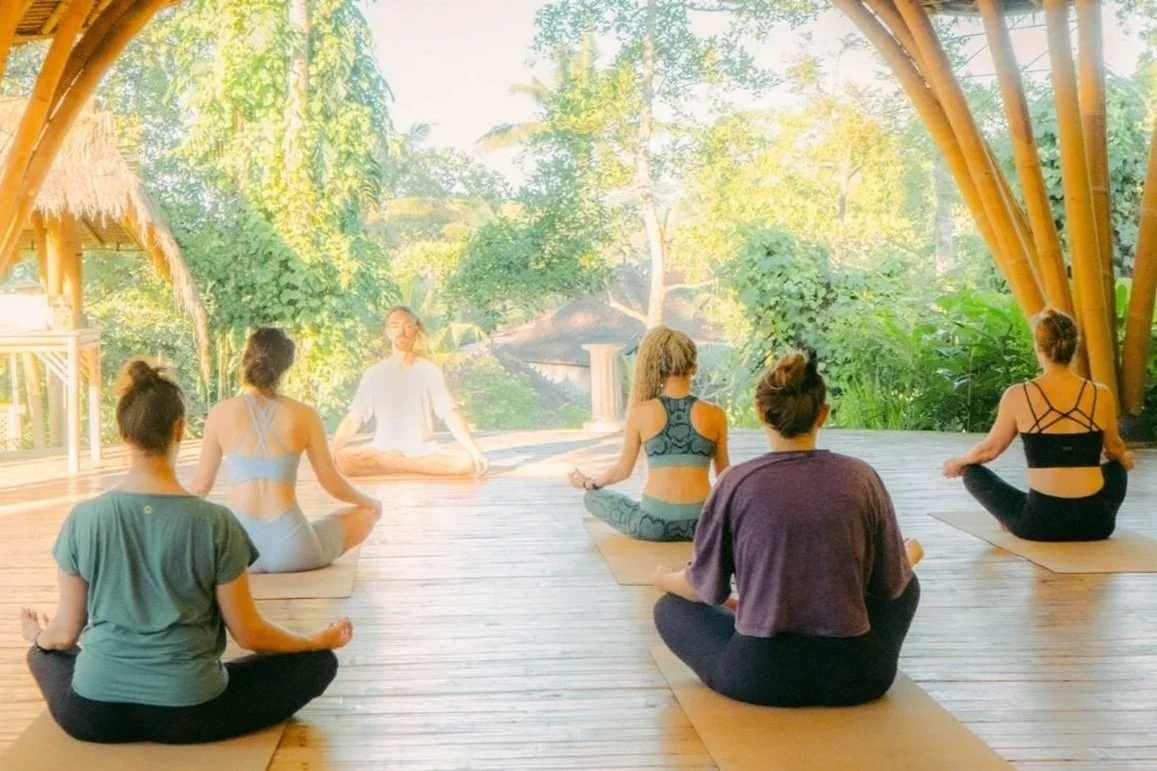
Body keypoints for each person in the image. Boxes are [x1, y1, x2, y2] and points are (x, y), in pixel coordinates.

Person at [21, 359, 351, 744]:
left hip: (95, 716)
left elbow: (63, 634)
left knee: (43, 654)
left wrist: (36, 637)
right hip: (190, 714)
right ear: (179, 429)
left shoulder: (83, 518)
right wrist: (315, 640)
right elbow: (250, 633)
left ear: (123, 433)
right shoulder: (215, 521)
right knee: (318, 664)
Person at [652, 351, 922, 707]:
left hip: (761, 677)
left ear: (761, 412)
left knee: (669, 608)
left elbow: (703, 589)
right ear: (822, 414)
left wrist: (663, 579)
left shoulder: (736, 482)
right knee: (908, 583)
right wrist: (908, 556)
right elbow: (889, 584)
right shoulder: (862, 477)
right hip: (858, 677)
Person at [190, 327, 381, 573]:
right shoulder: (305, 415)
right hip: (294, 549)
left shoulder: (220, 413)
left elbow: (199, 487)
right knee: (362, 515)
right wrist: (371, 502)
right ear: (286, 366)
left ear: (247, 360)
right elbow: (331, 482)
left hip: (239, 552)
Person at [943, 308, 1133, 542]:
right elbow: (1114, 449)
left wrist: (958, 463)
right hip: (1096, 524)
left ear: (1038, 347)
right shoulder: (1101, 394)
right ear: (1074, 347)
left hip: (1040, 524)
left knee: (972, 472)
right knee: (1117, 467)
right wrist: (1122, 458)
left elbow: (988, 451)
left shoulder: (1018, 395)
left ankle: (1010, 516)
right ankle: (1021, 513)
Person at [569, 327, 729, 542]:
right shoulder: (715, 414)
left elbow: (621, 472)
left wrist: (588, 483)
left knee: (593, 499)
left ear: (657, 369)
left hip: (653, 523)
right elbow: (725, 477)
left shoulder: (640, 412)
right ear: (694, 368)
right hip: (701, 525)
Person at [331, 306, 489, 477]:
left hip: (421, 451)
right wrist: (331, 451)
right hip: (381, 449)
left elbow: (450, 413)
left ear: (415, 330)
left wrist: (474, 450)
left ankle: (396, 464)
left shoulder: (429, 370)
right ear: (387, 332)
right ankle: (402, 465)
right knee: (343, 458)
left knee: (464, 463)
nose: (401, 331)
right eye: (395, 326)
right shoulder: (374, 373)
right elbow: (355, 417)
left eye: (407, 326)